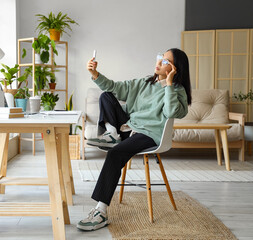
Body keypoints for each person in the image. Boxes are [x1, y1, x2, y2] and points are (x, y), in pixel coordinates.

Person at [77, 48, 192, 231]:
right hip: (129, 127)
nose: (159, 61)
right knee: (106, 95)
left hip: (150, 135)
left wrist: (169, 84)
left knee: (115, 154)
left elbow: (171, 112)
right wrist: (94, 73)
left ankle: (101, 211)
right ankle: (112, 134)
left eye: (165, 61)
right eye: (161, 57)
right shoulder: (144, 83)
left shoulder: (178, 92)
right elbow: (114, 87)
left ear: (175, 68)